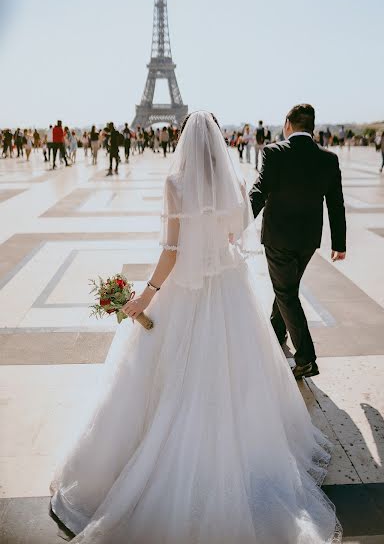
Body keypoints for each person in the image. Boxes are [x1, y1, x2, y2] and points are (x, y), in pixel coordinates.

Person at [49, 111, 341, 544]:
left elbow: (170, 252)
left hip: (184, 292)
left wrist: (147, 294)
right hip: (228, 290)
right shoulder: (235, 184)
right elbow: (235, 231)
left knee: (166, 380)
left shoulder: (175, 185)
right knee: (236, 378)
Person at [249, 103, 346, 380]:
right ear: (312, 127)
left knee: (286, 291)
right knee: (288, 287)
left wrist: (239, 221)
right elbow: (336, 204)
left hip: (279, 236)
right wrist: (339, 243)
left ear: (287, 124)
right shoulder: (328, 159)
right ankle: (277, 329)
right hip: (308, 239)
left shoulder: (274, 152)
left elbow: (260, 190)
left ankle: (306, 359)